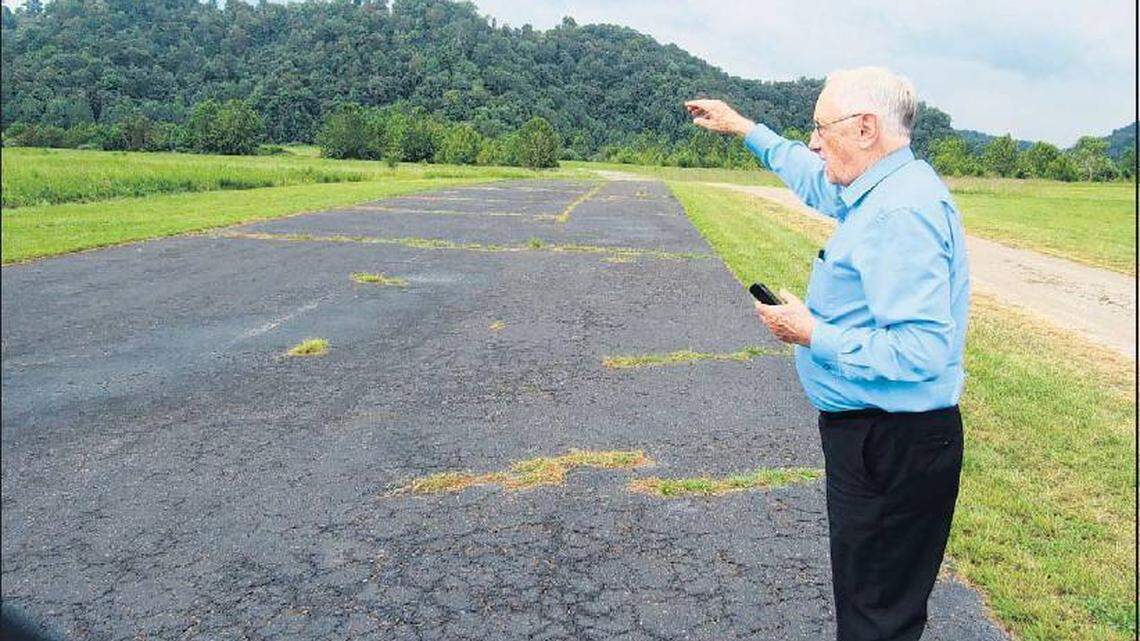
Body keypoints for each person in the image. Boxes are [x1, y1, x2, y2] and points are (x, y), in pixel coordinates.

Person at [685, 66, 970, 641]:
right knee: (872, 604)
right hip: (879, 438)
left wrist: (812, 332)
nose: (814, 143)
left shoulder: (899, 214)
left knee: (876, 617)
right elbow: (815, 180)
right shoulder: (883, 189)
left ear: (865, 128)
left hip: (890, 444)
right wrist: (744, 128)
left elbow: (922, 349)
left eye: (821, 128)